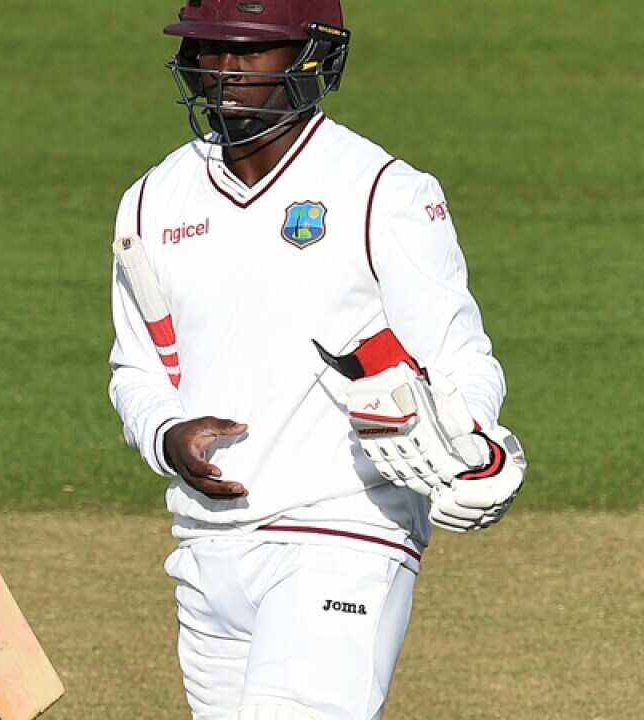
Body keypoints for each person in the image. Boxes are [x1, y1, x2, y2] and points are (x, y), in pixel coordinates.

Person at [107, 1, 527, 718]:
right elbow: (136, 368)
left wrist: (469, 442)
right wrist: (165, 436)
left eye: (252, 50)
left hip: (344, 532)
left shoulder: (382, 193)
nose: (225, 68)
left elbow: (462, 358)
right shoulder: (151, 201)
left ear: (313, 56)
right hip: (206, 547)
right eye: (211, 47)